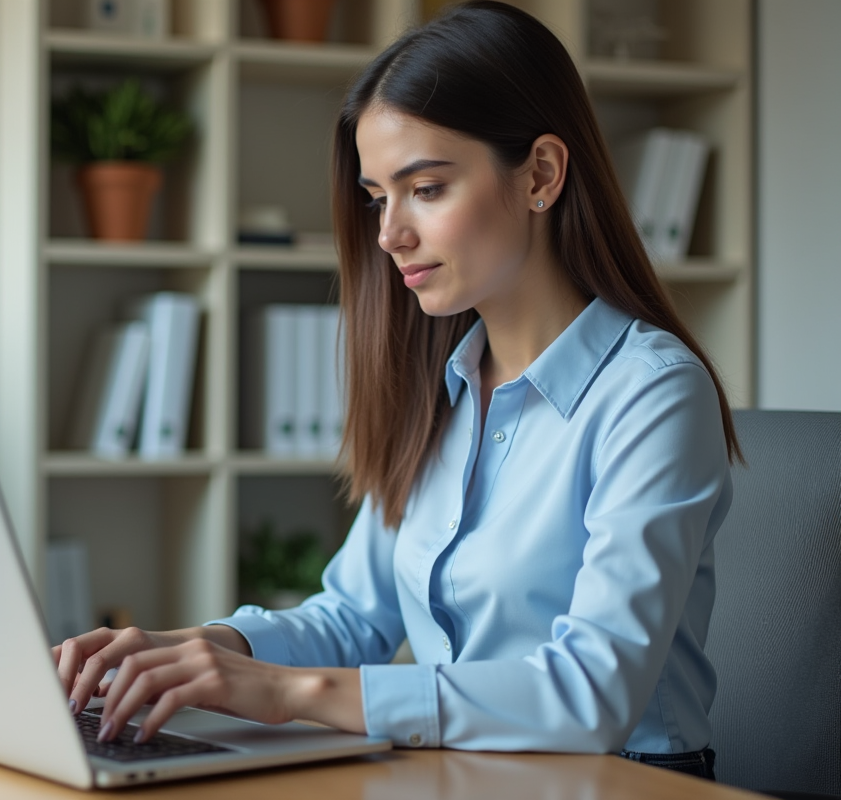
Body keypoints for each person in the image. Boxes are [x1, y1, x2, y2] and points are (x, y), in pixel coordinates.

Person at [52, 0, 737, 780]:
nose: (389, 234)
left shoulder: (652, 395)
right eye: (379, 197)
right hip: (468, 776)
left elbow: (592, 694)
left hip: (626, 784)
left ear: (541, 174)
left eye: (428, 188)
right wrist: (188, 650)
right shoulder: (442, 388)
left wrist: (286, 692)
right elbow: (352, 616)